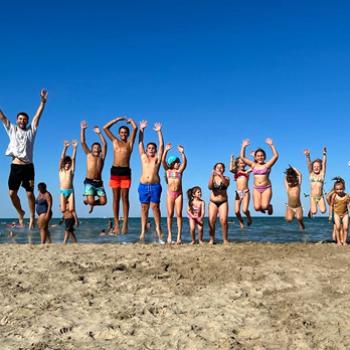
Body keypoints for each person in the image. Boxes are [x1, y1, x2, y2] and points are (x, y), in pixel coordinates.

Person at [0, 89, 48, 229]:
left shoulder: (31, 131)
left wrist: (42, 102)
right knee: (11, 193)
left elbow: (37, 117)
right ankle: (21, 212)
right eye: (20, 119)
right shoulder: (12, 129)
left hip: (28, 167)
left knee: (29, 193)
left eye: (24, 119)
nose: (22, 121)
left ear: (27, 121)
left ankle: (32, 217)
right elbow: (2, 117)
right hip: (15, 166)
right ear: (17, 120)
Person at [103, 116, 137, 234]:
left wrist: (131, 121)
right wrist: (117, 120)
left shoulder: (130, 143)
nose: (123, 134)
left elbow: (135, 127)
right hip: (115, 171)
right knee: (116, 198)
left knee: (125, 198)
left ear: (127, 134)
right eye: (121, 132)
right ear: (118, 133)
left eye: (125, 132)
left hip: (126, 172)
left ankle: (125, 222)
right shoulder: (115, 141)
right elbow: (105, 128)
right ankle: (116, 223)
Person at [138, 120, 164, 242]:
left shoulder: (157, 159)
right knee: (144, 208)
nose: (151, 150)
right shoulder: (143, 157)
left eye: (153, 148)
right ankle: (143, 231)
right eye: (149, 148)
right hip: (143, 186)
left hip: (155, 186)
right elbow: (140, 144)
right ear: (147, 150)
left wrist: (159, 132)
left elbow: (162, 146)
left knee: (155, 208)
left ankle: (158, 229)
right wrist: (142, 130)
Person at [240, 138, 279, 214]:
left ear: (264, 156)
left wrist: (271, 145)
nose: (260, 157)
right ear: (255, 157)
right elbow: (242, 157)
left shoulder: (267, 165)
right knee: (257, 208)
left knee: (264, 206)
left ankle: (269, 206)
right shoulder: (253, 164)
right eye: (258, 156)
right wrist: (243, 146)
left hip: (266, 188)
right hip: (256, 188)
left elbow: (276, 156)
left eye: (262, 155)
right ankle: (263, 206)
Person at [162, 143, 187, 244]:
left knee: (179, 214)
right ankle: (169, 235)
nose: (179, 163)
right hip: (170, 194)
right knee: (170, 214)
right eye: (177, 162)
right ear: (172, 163)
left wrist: (182, 153)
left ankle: (179, 237)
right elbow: (163, 161)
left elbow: (185, 163)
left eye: (179, 162)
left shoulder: (180, 171)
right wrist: (166, 150)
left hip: (179, 194)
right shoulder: (167, 171)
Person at [80, 120, 107, 213]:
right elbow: (83, 142)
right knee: (91, 200)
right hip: (89, 181)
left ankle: (91, 203)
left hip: (99, 182)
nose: (96, 148)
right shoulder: (88, 155)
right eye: (94, 147)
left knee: (104, 202)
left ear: (100, 150)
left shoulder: (102, 157)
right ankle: (89, 202)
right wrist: (83, 129)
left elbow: (105, 144)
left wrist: (99, 133)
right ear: (91, 149)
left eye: (98, 147)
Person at [208, 162, 230, 244]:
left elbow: (226, 184)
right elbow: (210, 187)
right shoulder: (212, 178)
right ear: (215, 169)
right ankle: (211, 239)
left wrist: (221, 176)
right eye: (218, 167)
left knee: (223, 220)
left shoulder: (227, 178)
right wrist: (212, 175)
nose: (220, 169)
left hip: (223, 201)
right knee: (211, 220)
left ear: (224, 169)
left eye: (221, 167)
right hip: (213, 202)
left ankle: (225, 239)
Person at [230, 155, 252, 228]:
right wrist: (232, 159)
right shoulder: (236, 172)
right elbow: (231, 169)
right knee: (236, 211)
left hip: (246, 192)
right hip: (238, 193)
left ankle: (249, 218)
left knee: (245, 210)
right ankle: (241, 221)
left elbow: (254, 166)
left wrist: (253, 157)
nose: (242, 164)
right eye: (240, 163)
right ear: (237, 164)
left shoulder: (247, 171)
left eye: (243, 163)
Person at [59, 140, 78, 223]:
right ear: (64, 164)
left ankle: (73, 220)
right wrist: (65, 148)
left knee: (71, 209)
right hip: (62, 191)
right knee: (63, 210)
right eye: (66, 163)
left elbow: (73, 159)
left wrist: (74, 148)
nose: (67, 164)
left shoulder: (71, 171)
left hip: (70, 191)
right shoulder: (61, 170)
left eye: (69, 163)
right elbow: (62, 158)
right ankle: (67, 219)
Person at [304, 147, 327, 217]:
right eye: (314, 166)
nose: (316, 168)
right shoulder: (311, 174)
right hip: (312, 197)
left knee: (323, 211)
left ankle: (315, 208)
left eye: (318, 166)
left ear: (320, 168)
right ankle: (311, 209)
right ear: (312, 167)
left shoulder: (322, 174)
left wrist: (324, 154)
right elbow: (309, 165)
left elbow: (324, 164)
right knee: (314, 212)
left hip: (320, 197)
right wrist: (308, 156)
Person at [328, 177, 350, 246]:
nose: (339, 191)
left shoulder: (347, 196)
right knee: (337, 227)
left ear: (344, 188)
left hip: (345, 213)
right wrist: (331, 215)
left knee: (346, 227)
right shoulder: (334, 196)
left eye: (341, 189)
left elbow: (348, 204)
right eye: (337, 189)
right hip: (336, 213)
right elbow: (331, 205)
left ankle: (344, 241)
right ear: (335, 189)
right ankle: (338, 242)